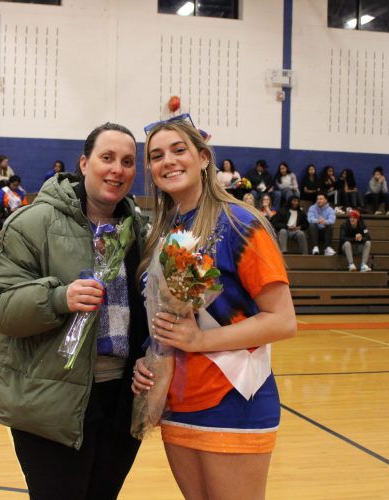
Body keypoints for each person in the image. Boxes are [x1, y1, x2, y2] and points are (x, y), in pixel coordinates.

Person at [0, 123, 149, 500]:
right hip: (49, 402)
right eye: (107, 158)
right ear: (84, 163)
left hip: (120, 402)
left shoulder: (140, 230)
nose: (117, 169)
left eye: (127, 161)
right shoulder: (32, 222)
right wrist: (58, 298)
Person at [132, 116, 296, 500]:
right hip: (178, 402)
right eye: (156, 156)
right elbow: (166, 320)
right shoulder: (163, 230)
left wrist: (197, 340)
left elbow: (283, 320)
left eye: (178, 150)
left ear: (203, 157)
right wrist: (149, 361)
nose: (167, 161)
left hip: (234, 399)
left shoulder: (240, 223)